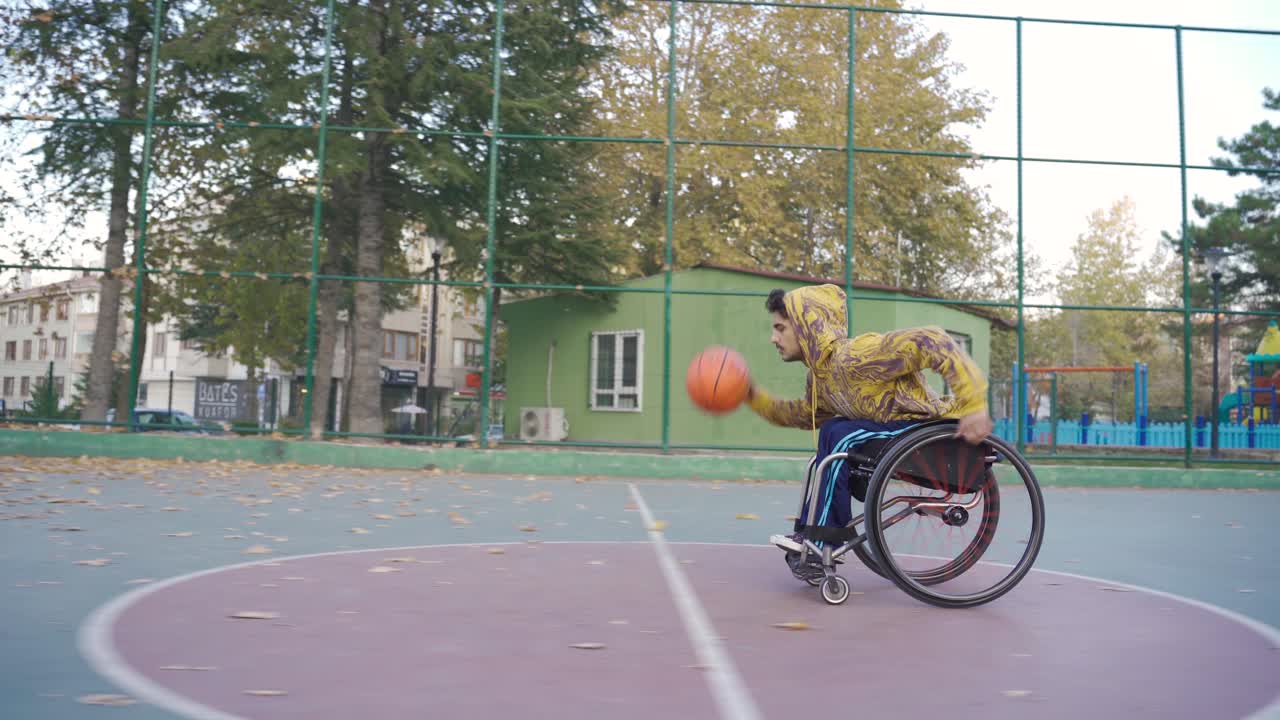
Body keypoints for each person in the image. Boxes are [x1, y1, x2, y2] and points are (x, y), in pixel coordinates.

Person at [745, 284, 993, 555]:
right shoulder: (820, 378)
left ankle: (823, 541)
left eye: (780, 328)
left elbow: (932, 341)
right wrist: (753, 398)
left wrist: (974, 404)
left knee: (841, 435)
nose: (773, 338)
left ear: (807, 327)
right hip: (889, 433)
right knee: (833, 429)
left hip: (919, 425)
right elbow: (805, 415)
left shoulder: (858, 355)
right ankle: (808, 534)